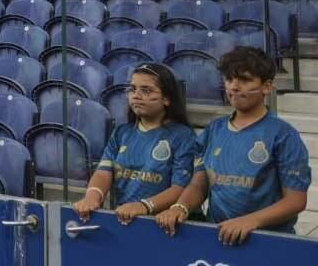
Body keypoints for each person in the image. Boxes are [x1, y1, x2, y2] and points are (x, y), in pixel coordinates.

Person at [157, 47, 311, 242]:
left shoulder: (284, 135)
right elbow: (200, 182)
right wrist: (181, 206)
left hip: (267, 241)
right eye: (229, 79)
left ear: (266, 87)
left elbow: (296, 201)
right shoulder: (213, 130)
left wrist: (251, 221)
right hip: (217, 236)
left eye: (244, 80)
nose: (234, 87)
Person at [73, 63, 197, 225]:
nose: (136, 95)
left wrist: (144, 206)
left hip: (163, 225)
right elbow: (103, 172)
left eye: (146, 90)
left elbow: (180, 188)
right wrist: (92, 196)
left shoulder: (183, 136)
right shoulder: (121, 133)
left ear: (166, 99)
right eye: (132, 89)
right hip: (122, 219)